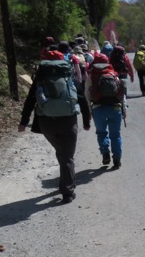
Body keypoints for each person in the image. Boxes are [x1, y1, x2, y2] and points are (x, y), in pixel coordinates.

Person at [18, 48, 91, 203]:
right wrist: (86, 121)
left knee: (62, 153)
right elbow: (82, 100)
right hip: (68, 121)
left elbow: (30, 100)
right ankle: (68, 192)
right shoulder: (68, 78)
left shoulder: (40, 80)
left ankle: (64, 184)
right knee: (67, 156)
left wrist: (24, 122)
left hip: (46, 123)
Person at [87, 52, 125, 169]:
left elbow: (87, 95)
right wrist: (123, 109)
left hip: (98, 109)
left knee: (102, 133)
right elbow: (121, 93)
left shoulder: (91, 76)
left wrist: (89, 111)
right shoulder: (113, 74)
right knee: (116, 134)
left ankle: (105, 154)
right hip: (115, 108)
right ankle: (117, 159)